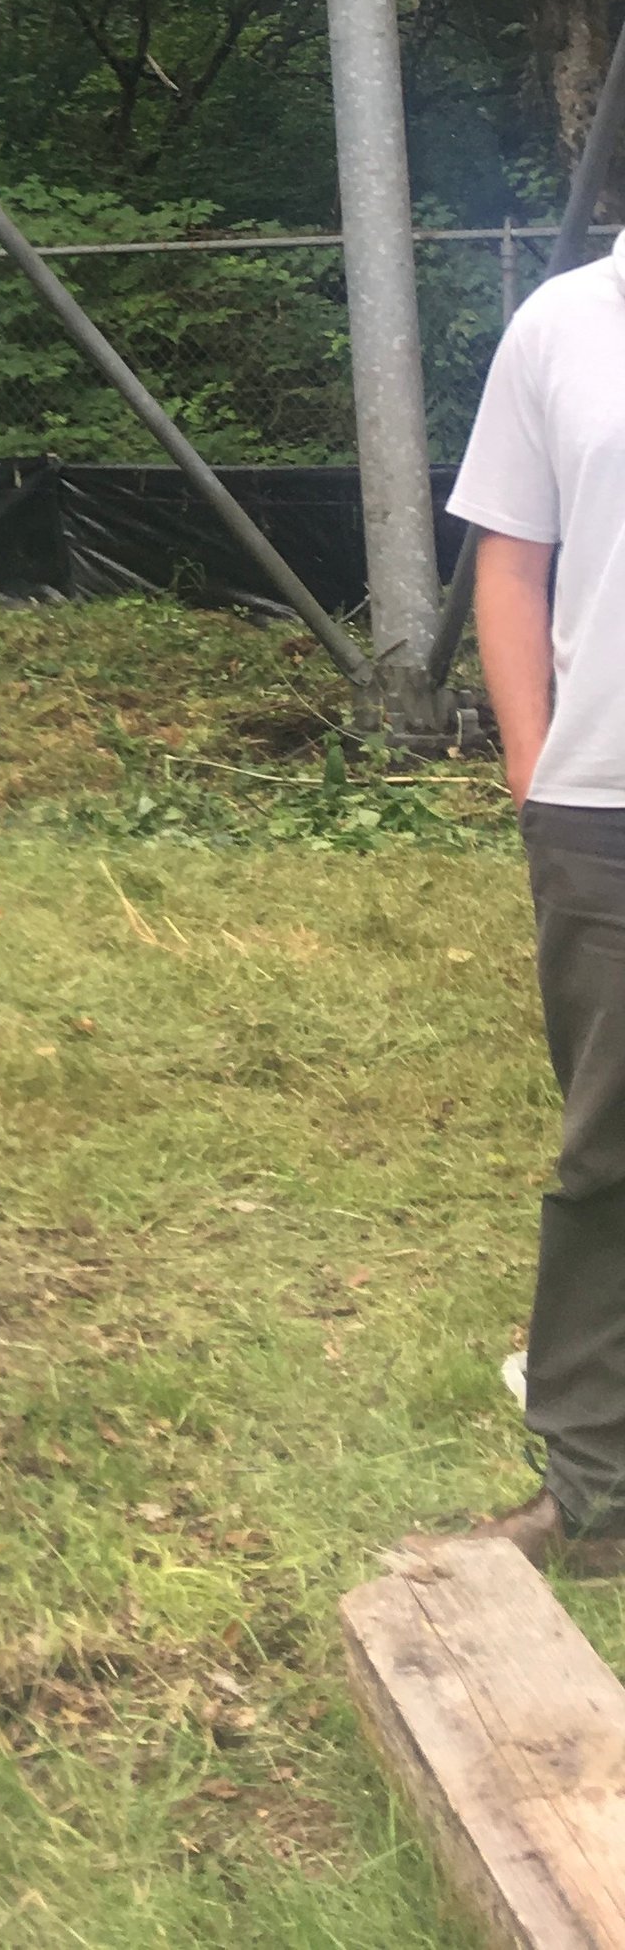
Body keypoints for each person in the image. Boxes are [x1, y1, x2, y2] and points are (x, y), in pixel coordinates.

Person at [450, 232, 625, 1573]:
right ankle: (598, 1488)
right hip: (605, 812)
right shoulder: (562, 323)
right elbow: (511, 563)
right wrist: (533, 764)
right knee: (610, 1149)